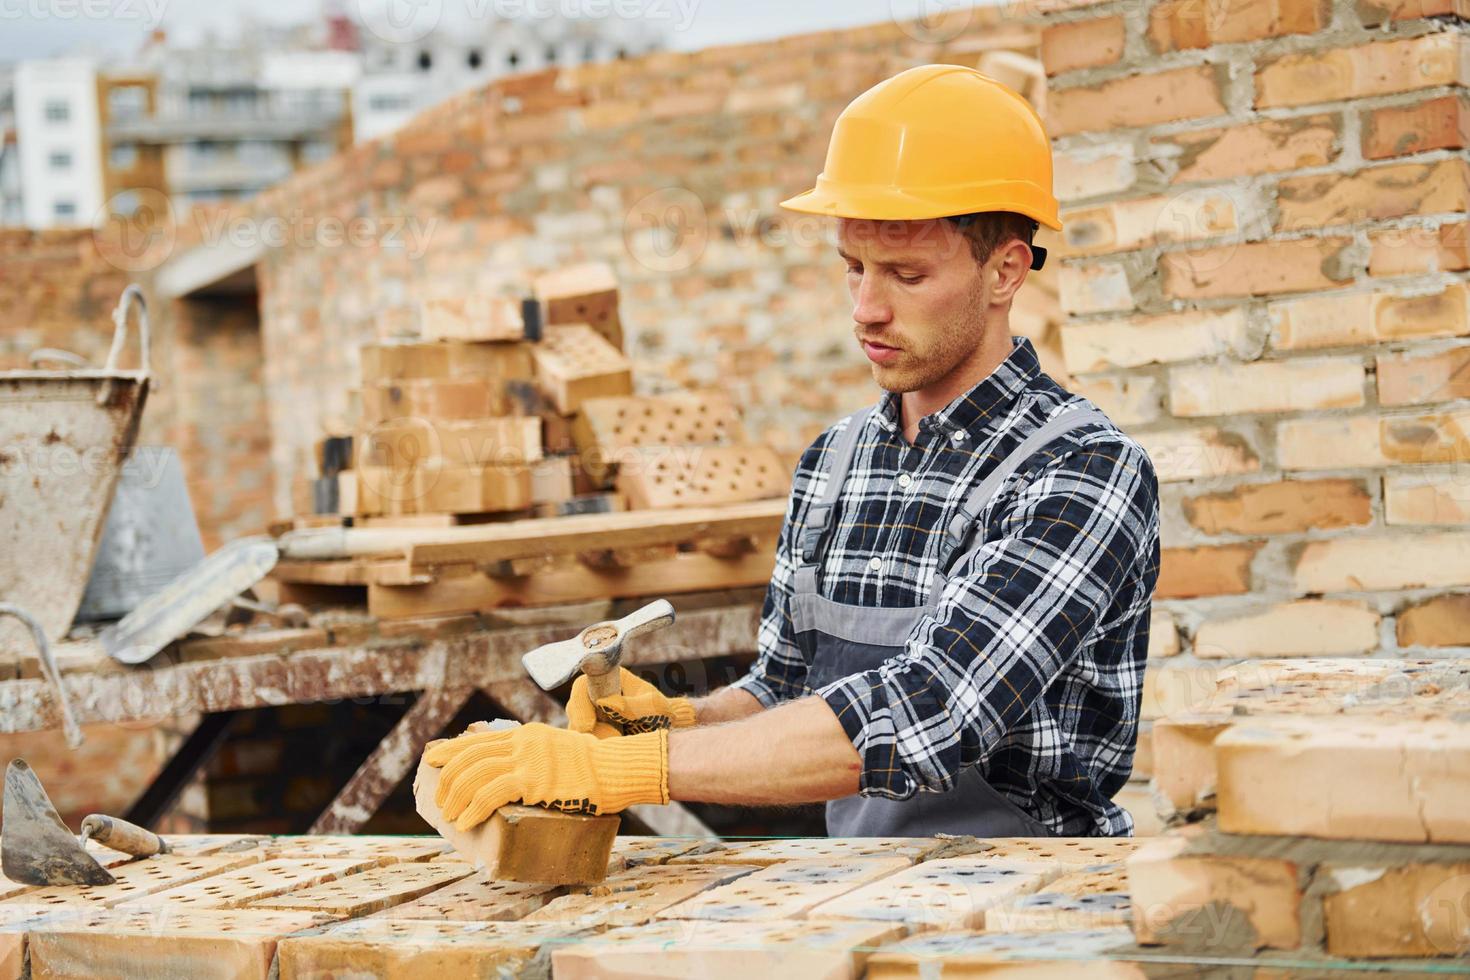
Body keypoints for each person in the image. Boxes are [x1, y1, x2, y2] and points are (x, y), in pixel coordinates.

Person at [425, 64, 1161, 838]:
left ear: (1005, 270)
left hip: (1028, 911)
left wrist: (630, 771)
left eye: (907, 275)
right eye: (853, 268)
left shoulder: (1081, 472)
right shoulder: (834, 462)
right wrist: (670, 725)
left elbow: (932, 711)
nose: (866, 309)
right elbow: (782, 691)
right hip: (856, 897)